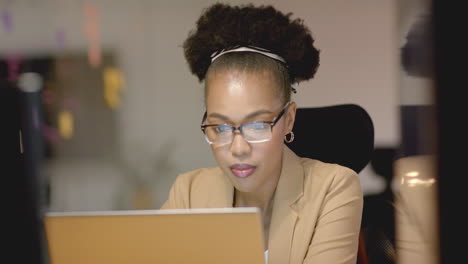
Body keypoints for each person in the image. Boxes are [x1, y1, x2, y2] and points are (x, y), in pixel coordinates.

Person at [161, 3, 363, 264]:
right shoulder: (188, 193)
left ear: (288, 120)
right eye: (221, 127)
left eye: (256, 125)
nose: (238, 148)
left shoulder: (334, 189)